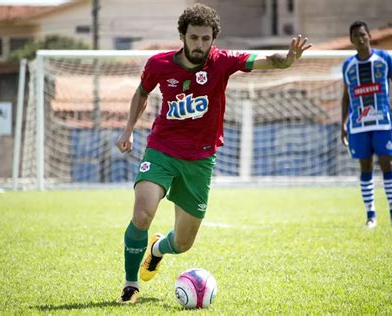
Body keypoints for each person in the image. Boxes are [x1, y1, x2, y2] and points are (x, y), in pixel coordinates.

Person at [115, 3, 312, 303]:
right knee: (142, 215)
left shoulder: (221, 62)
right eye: (194, 38)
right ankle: (131, 285)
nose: (200, 45)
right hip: (162, 150)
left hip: (201, 160)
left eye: (206, 39)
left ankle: (157, 249)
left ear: (213, 39)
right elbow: (142, 92)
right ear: (182, 36)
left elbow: (263, 60)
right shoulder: (159, 64)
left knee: (182, 243)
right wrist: (128, 129)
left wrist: (286, 61)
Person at [341, 21, 392, 229]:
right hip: (358, 125)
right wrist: (343, 124)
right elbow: (346, 96)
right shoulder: (348, 65)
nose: (360, 39)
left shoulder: (384, 59)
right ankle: (371, 216)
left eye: (363, 35)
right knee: (365, 167)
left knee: (387, 164)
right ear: (352, 41)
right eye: (356, 36)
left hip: (382, 122)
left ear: (369, 35)